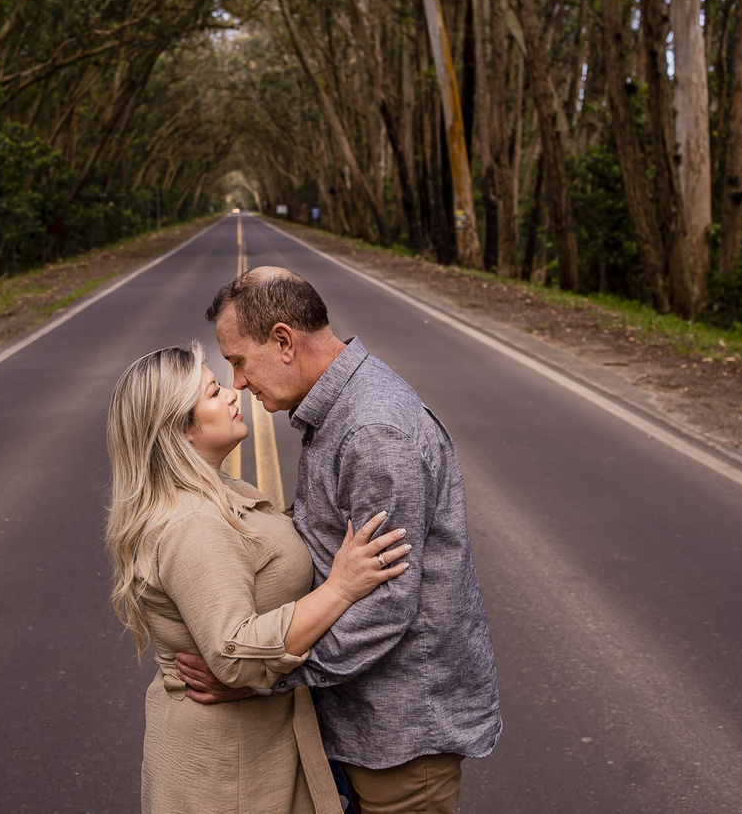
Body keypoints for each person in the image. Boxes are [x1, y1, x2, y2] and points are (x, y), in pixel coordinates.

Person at [178, 266, 502, 814]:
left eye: (237, 361)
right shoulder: (340, 411)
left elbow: (384, 609)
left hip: (401, 739)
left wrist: (264, 677)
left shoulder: (373, 432)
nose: (237, 383)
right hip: (363, 725)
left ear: (282, 340)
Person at [105, 340, 412, 814]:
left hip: (253, 747)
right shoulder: (194, 526)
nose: (232, 394)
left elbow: (259, 545)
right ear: (179, 431)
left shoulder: (218, 491)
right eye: (212, 393)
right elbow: (235, 654)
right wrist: (341, 587)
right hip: (230, 772)